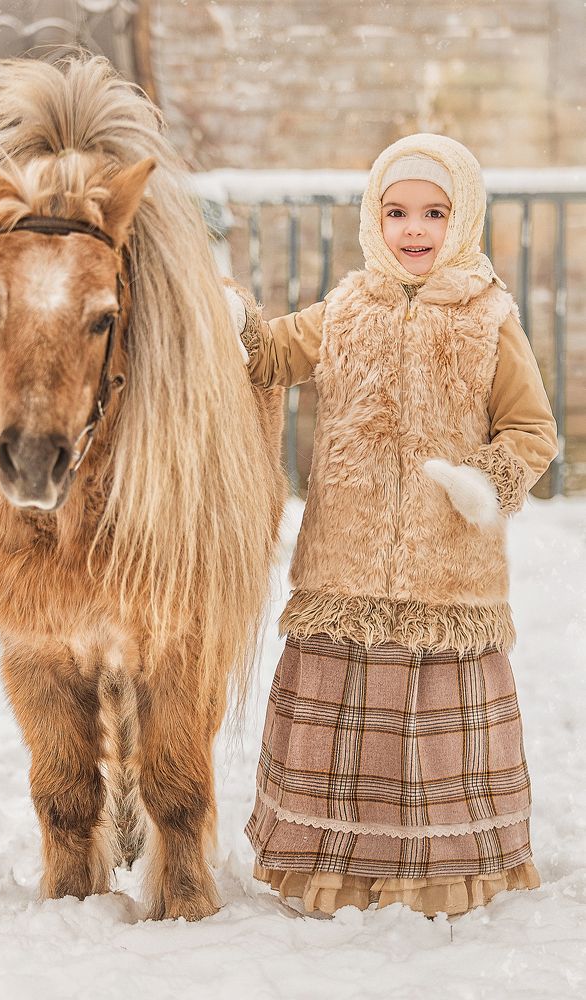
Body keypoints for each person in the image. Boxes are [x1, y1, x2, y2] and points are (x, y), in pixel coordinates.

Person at [230, 133, 558, 918]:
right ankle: (334, 865)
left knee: (428, 735)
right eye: (398, 211)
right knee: (348, 729)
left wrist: (490, 480)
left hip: (448, 566)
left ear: (465, 216)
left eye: (435, 212)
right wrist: (231, 317)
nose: (415, 229)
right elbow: (270, 356)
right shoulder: (346, 308)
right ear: (373, 219)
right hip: (345, 563)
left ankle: (440, 869)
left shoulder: (489, 318)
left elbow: (532, 429)